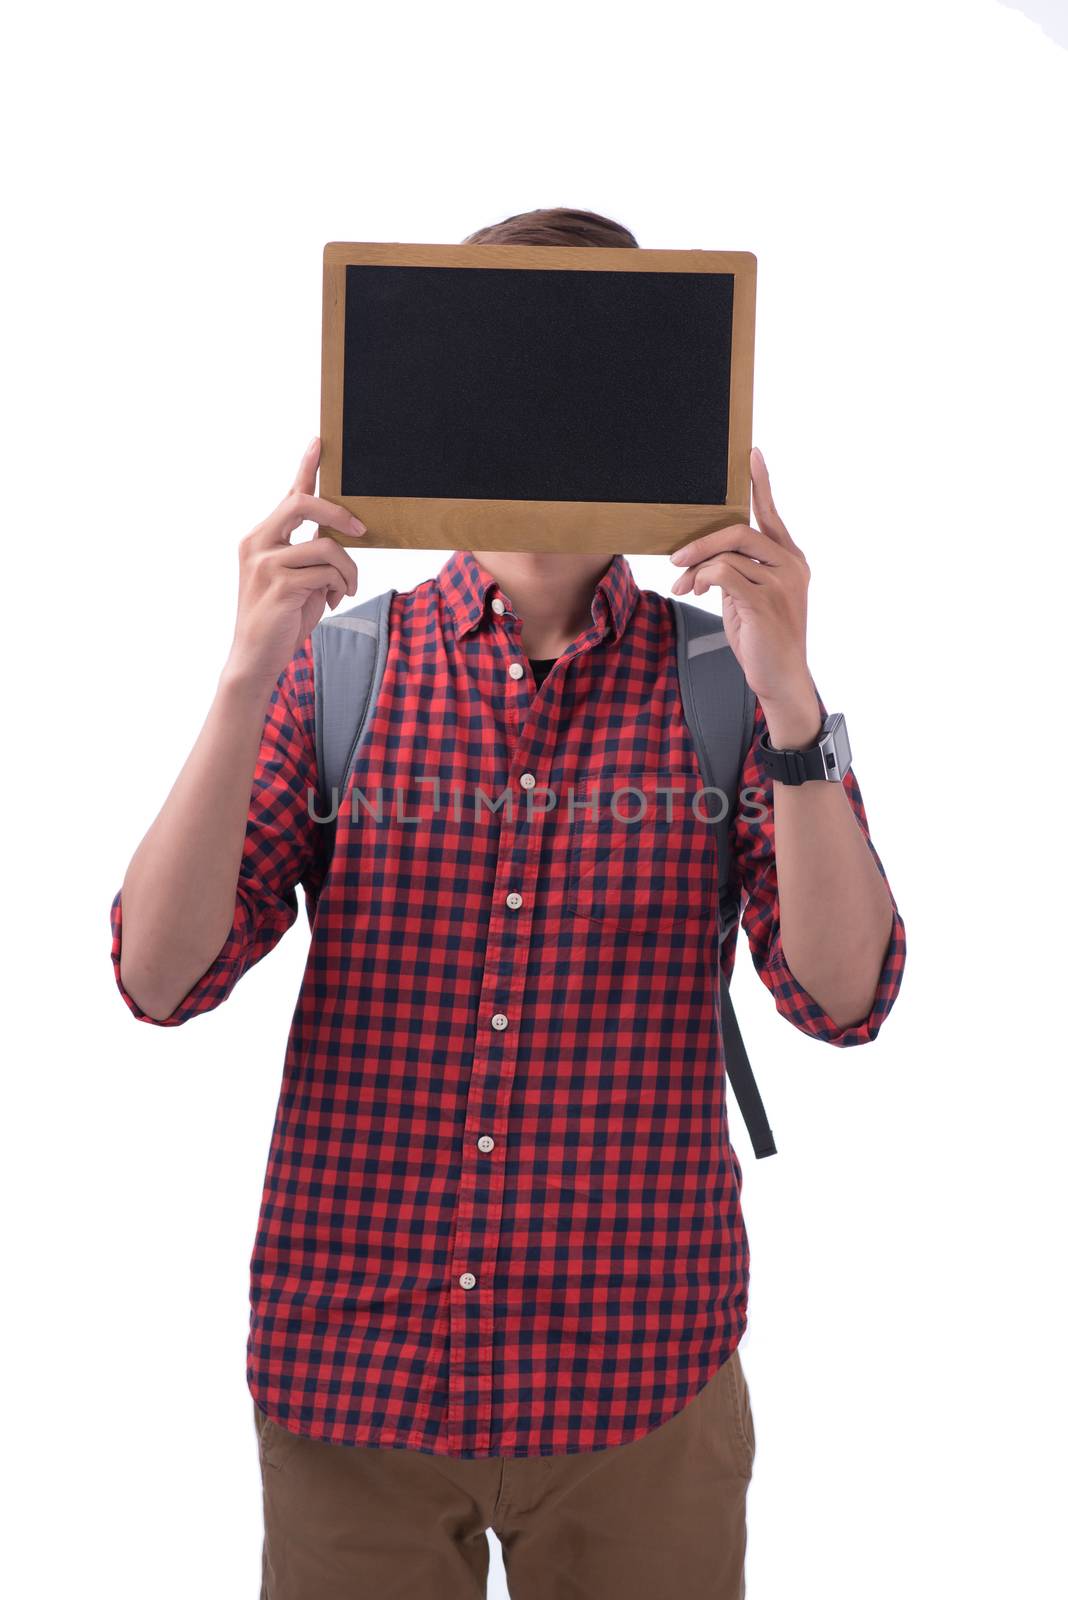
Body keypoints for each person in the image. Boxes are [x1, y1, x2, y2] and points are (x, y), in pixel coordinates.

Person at [110, 207, 905, 1600]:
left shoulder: (727, 688)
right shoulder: (338, 673)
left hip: (640, 1382)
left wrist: (794, 694)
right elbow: (158, 977)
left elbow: (846, 998)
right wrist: (241, 678)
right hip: (352, 1375)